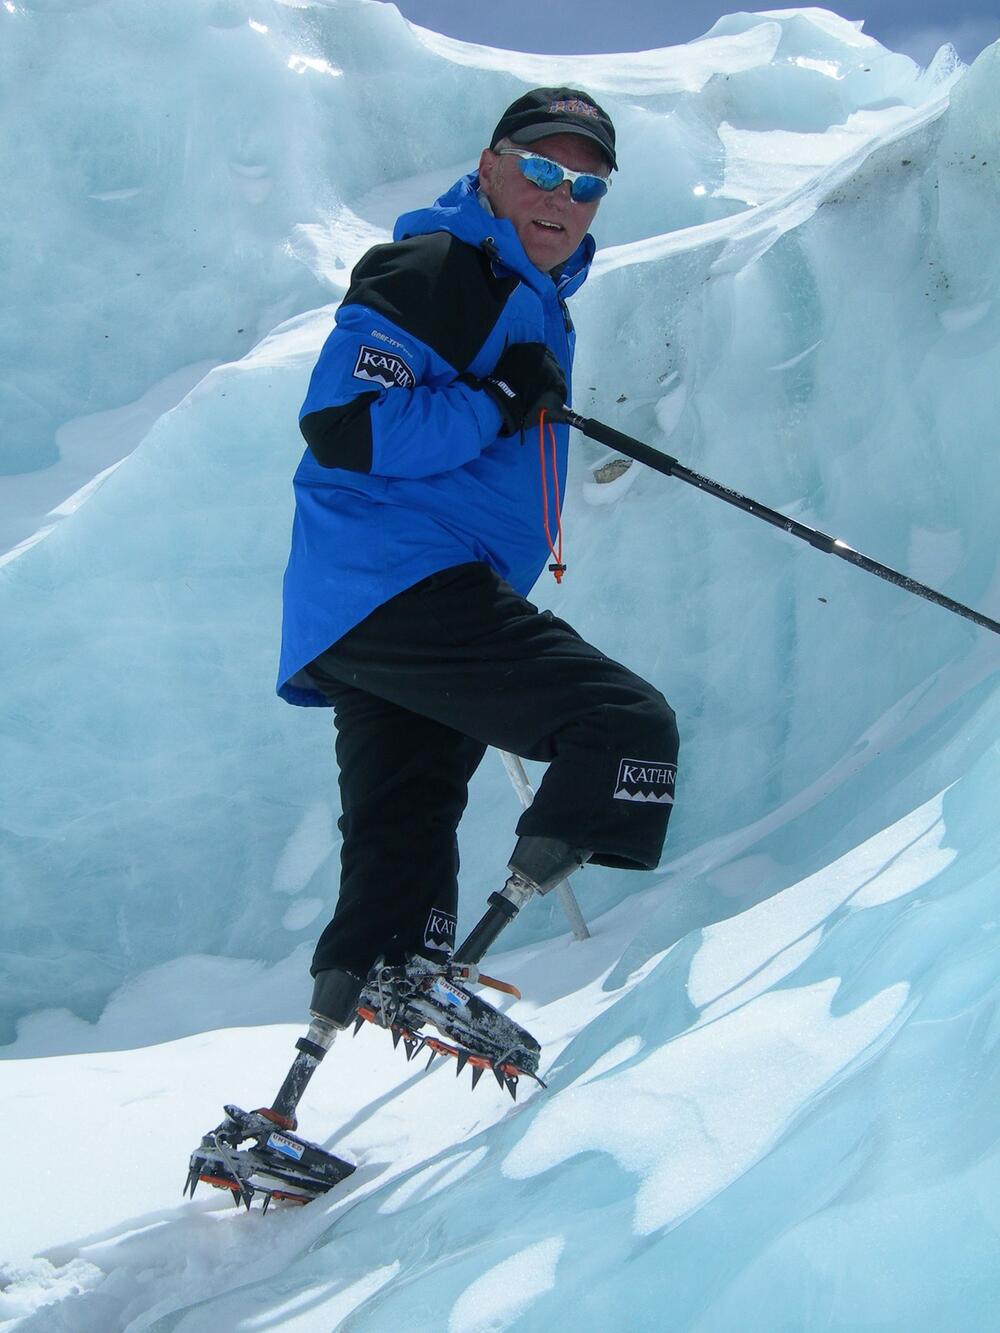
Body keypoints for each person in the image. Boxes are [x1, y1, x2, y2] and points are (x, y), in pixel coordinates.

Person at [277, 87, 679, 1052]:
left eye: (585, 183)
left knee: (404, 825)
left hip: (365, 607)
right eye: (540, 167)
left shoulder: (520, 293)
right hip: (405, 577)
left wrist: (505, 396)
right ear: (490, 165)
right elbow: (345, 423)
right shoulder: (444, 266)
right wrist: (500, 403)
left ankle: (298, 1091)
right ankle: (475, 947)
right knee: (623, 723)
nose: (560, 195)